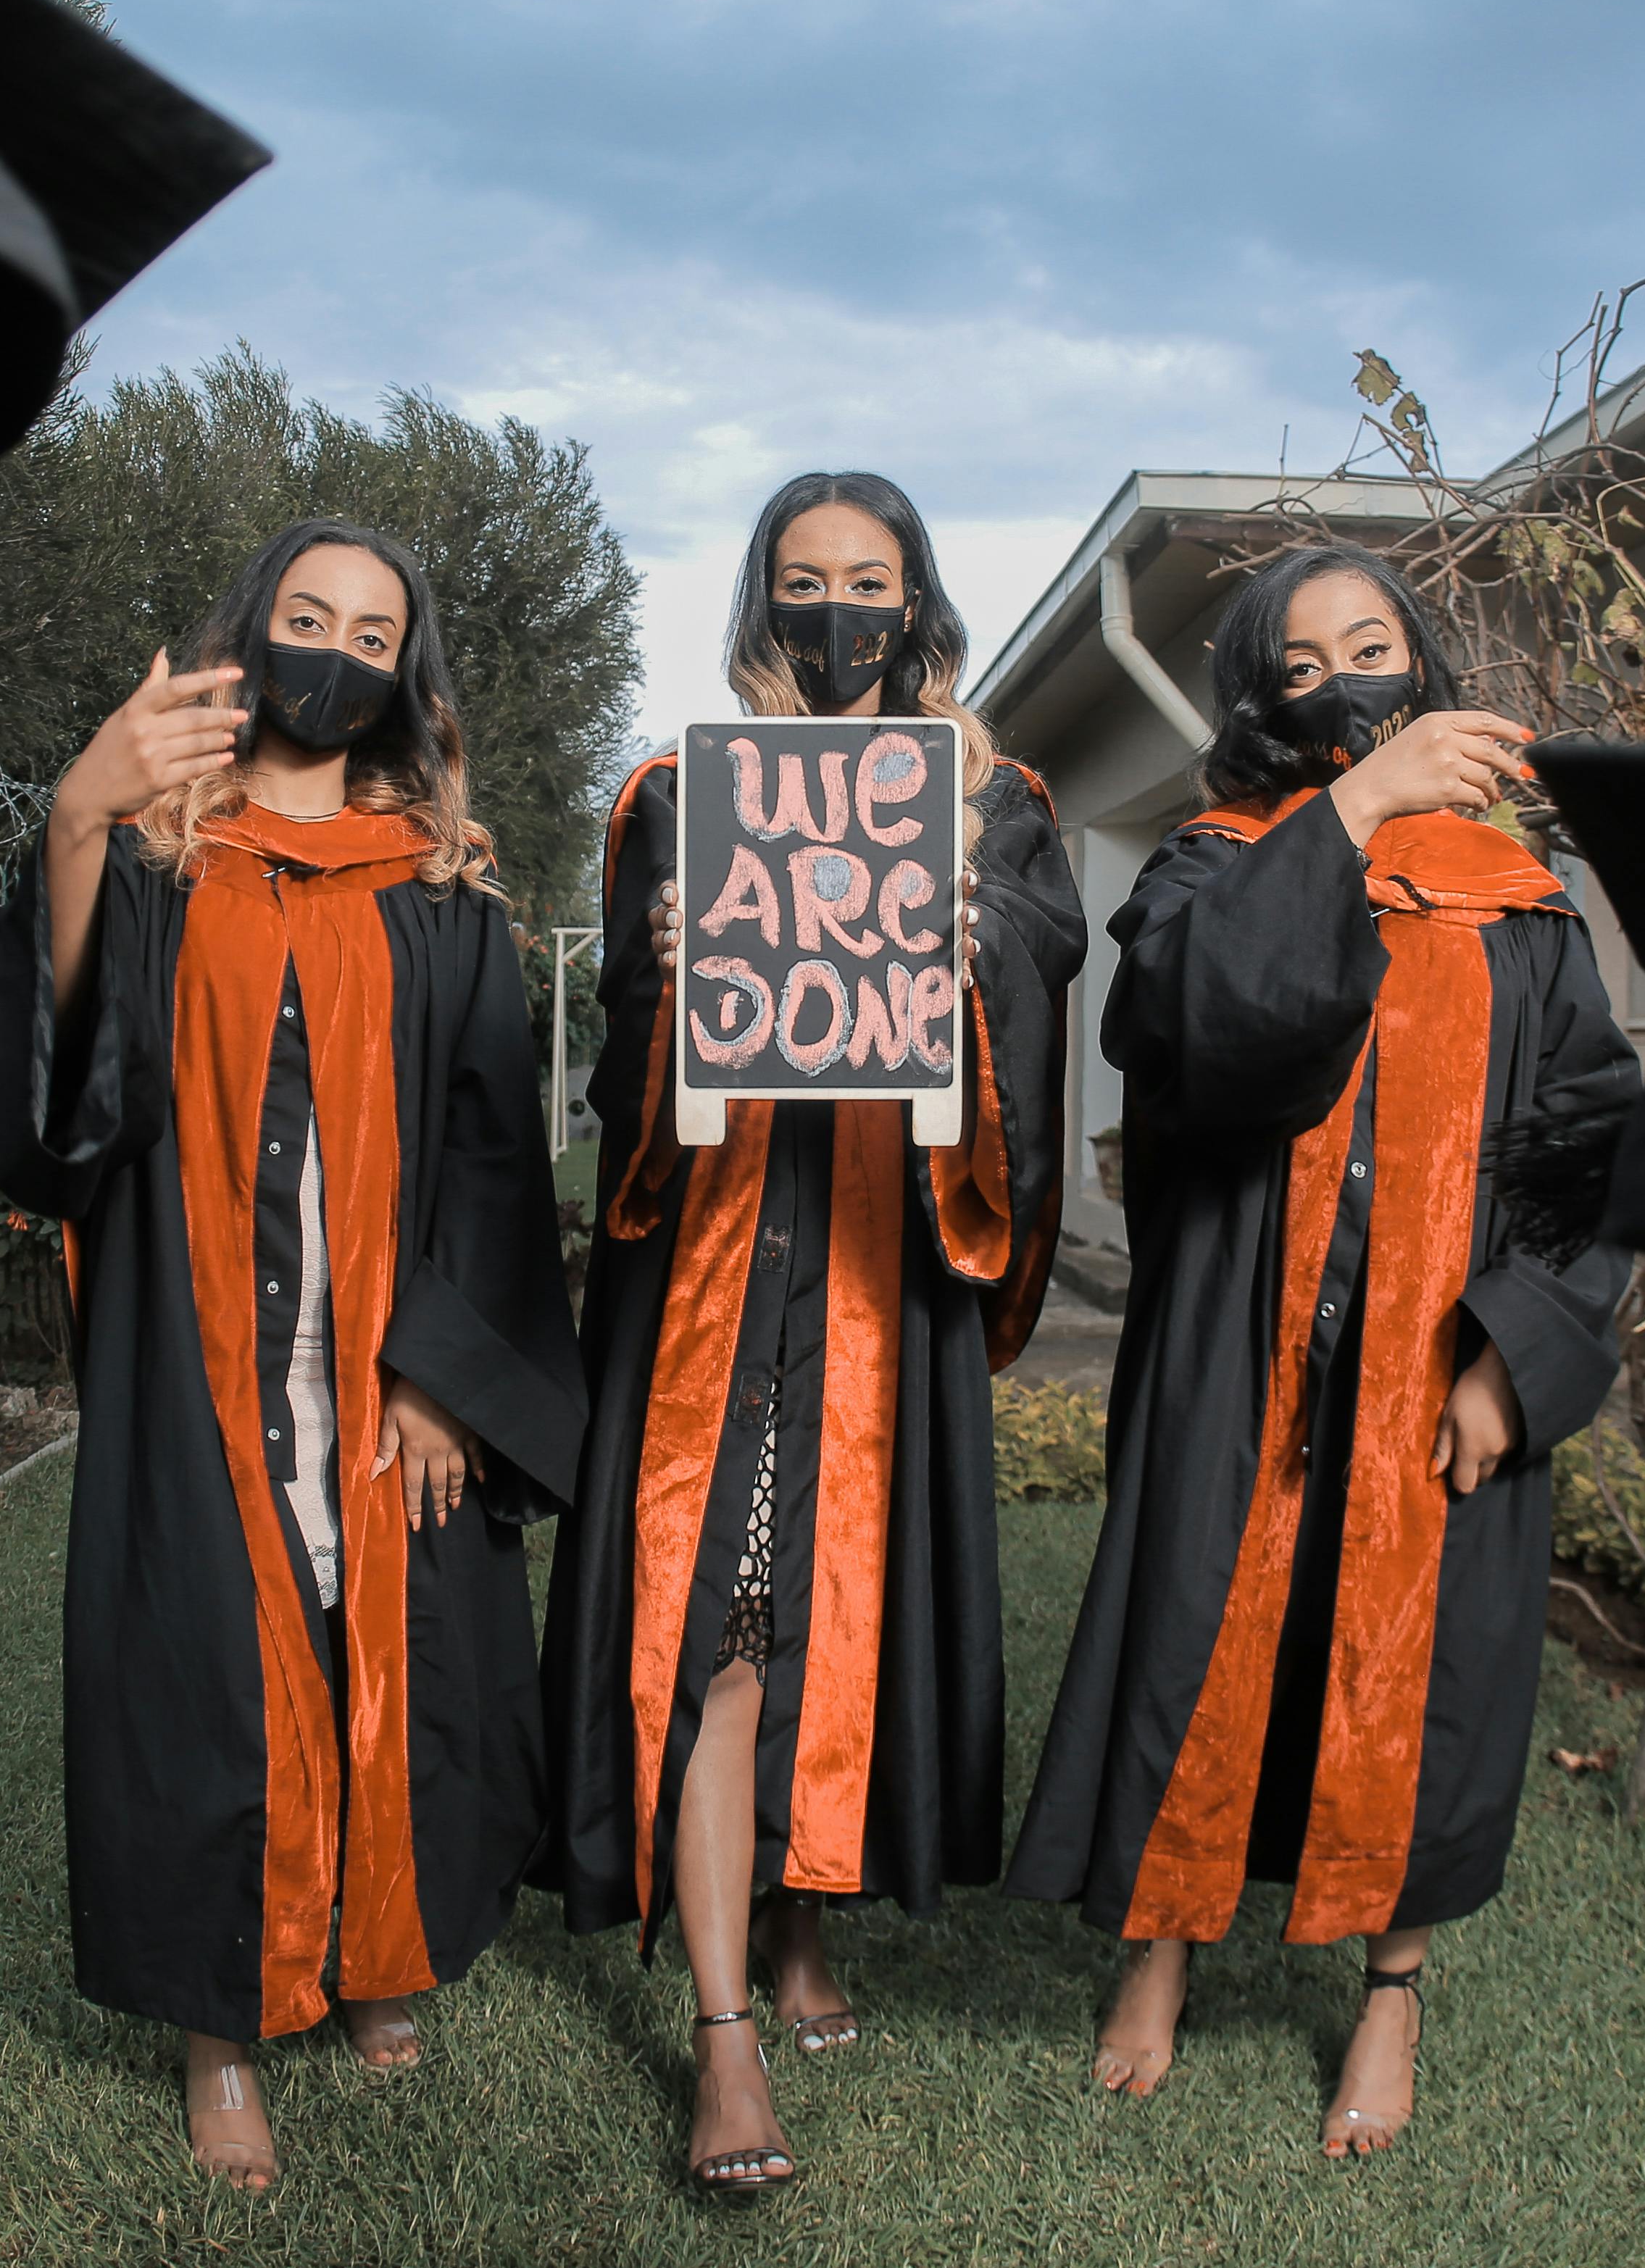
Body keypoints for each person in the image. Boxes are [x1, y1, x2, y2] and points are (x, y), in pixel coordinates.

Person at [0, 520, 585, 2192]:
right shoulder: (167, 857)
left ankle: (378, 1943)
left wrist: (443, 1369)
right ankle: (219, 2032)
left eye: (372, 630)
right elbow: (68, 1078)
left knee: (392, 1639)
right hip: (204, 1353)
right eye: (307, 615)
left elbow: (493, 1150)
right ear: (250, 637)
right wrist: (80, 813)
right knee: (209, 1664)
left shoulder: (440, 886)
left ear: (405, 673)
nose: (336, 647)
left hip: (382, 1354)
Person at [1003, 544, 1638, 2158]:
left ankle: (1391, 1991)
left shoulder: (1524, 907)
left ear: (1421, 663)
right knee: (1198, 1651)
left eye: (1376, 646)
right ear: (1267, 703)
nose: (1351, 679)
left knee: (1417, 1692)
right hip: (1242, 1352)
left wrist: (1517, 1357)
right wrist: (1355, 815)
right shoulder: (1212, 870)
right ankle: (1165, 1944)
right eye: (1308, 663)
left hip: (1437, 1369)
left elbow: (1590, 1153)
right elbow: (1190, 1027)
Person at [542, 472, 1086, 2194]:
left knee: (832, 1634)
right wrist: (659, 963)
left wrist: (972, 937)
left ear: (918, 606)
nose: (837, 613)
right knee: (719, 1626)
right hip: (712, 1275)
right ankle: (727, 2037)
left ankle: (800, 1928)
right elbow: (629, 1077)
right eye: (803, 582)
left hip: (875, 1275)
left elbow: (1042, 988)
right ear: (760, 606)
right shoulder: (678, 799)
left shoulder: (995, 803)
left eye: (870, 582)